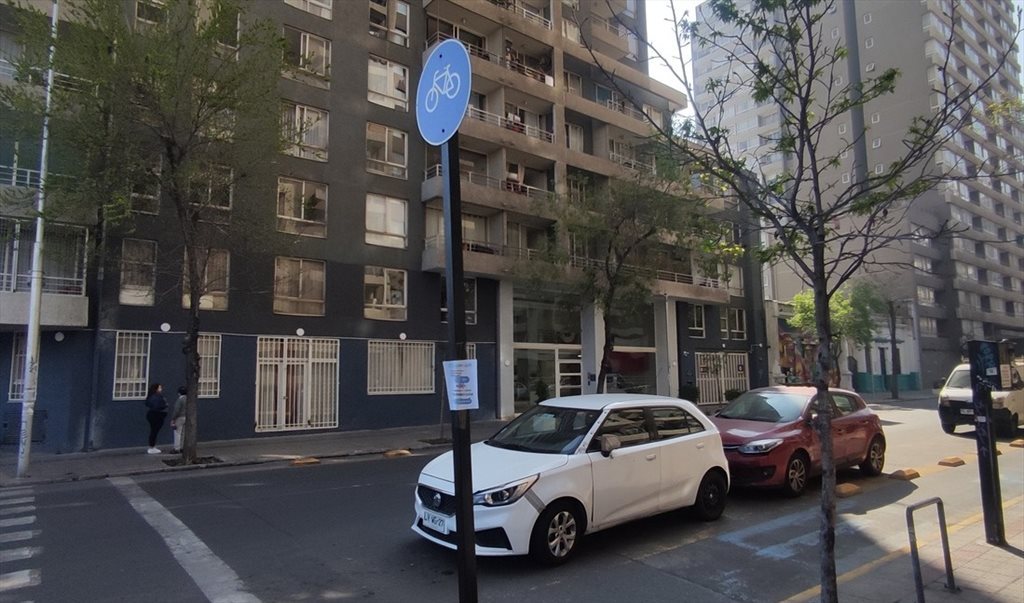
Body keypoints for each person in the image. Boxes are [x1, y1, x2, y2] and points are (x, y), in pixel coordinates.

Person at [144, 383, 168, 454]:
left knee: (153, 431)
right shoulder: (157, 397)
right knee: (154, 431)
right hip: (157, 415)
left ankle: (152, 446)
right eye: (159, 388)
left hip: (152, 414)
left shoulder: (151, 396)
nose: (161, 389)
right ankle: (152, 447)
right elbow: (160, 405)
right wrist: (165, 405)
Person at [171, 386, 187, 453]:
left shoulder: (180, 400)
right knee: (183, 433)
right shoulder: (188, 399)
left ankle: (176, 448)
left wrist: (173, 419)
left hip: (179, 417)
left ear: (179, 393)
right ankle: (182, 447)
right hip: (186, 417)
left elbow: (176, 410)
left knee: (177, 433)